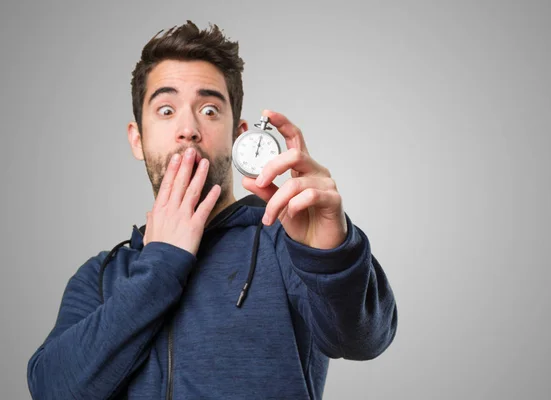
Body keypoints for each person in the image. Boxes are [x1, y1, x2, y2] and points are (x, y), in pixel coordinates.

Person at [26, 20, 398, 400]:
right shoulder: (100, 278)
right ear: (137, 139)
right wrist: (160, 265)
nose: (188, 128)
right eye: (166, 110)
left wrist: (330, 254)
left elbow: (363, 339)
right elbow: (51, 390)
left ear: (239, 136)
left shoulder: (286, 246)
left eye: (208, 109)